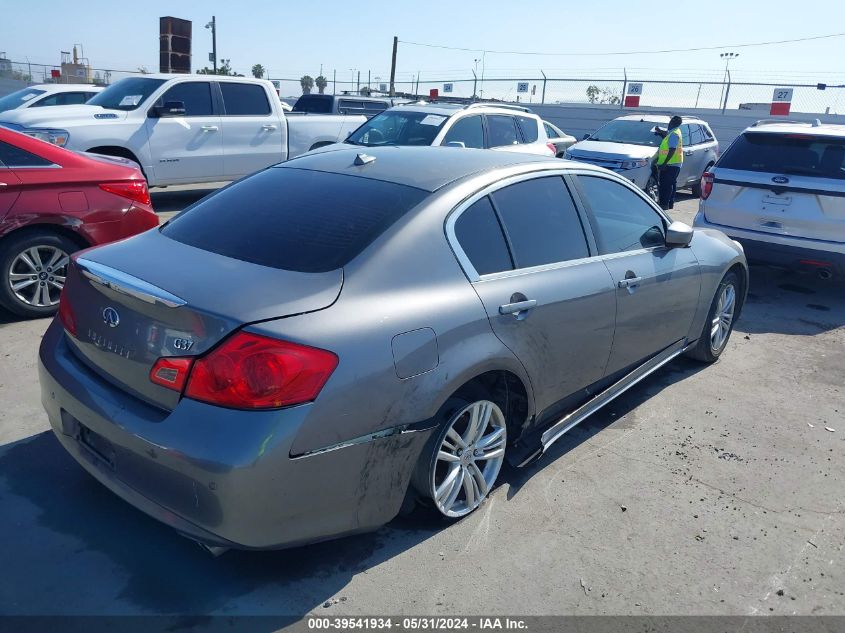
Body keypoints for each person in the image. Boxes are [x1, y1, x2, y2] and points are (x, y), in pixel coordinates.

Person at [654, 115, 684, 210]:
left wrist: (664, 164)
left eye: (670, 122)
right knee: (671, 184)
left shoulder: (674, 134)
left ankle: (664, 204)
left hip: (670, 164)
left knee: (666, 185)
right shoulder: (674, 132)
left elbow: (672, 150)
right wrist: (659, 131)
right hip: (674, 163)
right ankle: (670, 204)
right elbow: (666, 134)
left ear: (673, 123)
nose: (669, 123)